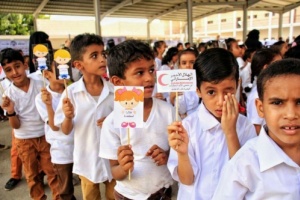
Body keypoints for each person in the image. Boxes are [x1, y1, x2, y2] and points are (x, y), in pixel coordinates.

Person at [167, 48, 257, 200]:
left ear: (237, 85)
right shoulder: (187, 127)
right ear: (198, 91)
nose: (220, 101)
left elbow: (245, 177)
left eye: (228, 90)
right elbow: (187, 180)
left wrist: (230, 132)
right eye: (211, 92)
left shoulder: (245, 126)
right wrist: (182, 154)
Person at [212, 58, 300, 199]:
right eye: (277, 102)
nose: (291, 114)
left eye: (299, 102)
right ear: (260, 108)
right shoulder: (244, 164)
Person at [99, 40, 174, 200]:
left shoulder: (168, 112)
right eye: (139, 73)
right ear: (118, 82)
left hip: (162, 192)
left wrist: (167, 156)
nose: (149, 78)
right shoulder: (112, 123)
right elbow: (115, 172)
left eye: (151, 70)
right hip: (127, 195)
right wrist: (124, 167)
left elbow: (179, 155)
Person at [54, 33, 115, 200]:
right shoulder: (70, 94)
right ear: (78, 65)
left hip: (114, 161)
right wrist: (67, 117)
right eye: (94, 56)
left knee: (115, 196)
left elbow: (126, 123)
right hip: (87, 161)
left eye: (103, 54)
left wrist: (113, 122)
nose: (102, 59)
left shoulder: (115, 91)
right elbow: (65, 131)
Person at [0, 49, 59, 199]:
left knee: (52, 171)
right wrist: (11, 111)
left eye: (17, 66)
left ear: (25, 65)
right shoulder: (8, 94)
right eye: (8, 70)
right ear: (5, 73)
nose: (15, 72)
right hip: (24, 140)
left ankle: (59, 197)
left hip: (46, 136)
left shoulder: (41, 84)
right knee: (32, 176)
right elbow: (15, 126)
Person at [35, 62, 75, 200]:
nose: (65, 71)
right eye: (58, 69)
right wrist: (48, 105)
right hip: (61, 148)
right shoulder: (42, 97)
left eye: (66, 68)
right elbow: (54, 126)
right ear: (47, 74)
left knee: (88, 183)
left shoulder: (73, 90)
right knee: (65, 189)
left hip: (81, 145)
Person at [246, 49, 281, 134]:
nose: (283, 68)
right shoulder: (257, 95)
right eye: (279, 64)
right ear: (266, 68)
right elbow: (256, 127)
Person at [169, 49, 199, 118]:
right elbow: (175, 110)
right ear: (179, 65)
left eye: (192, 62)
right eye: (184, 63)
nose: (188, 66)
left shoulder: (202, 82)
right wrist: (172, 98)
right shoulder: (174, 84)